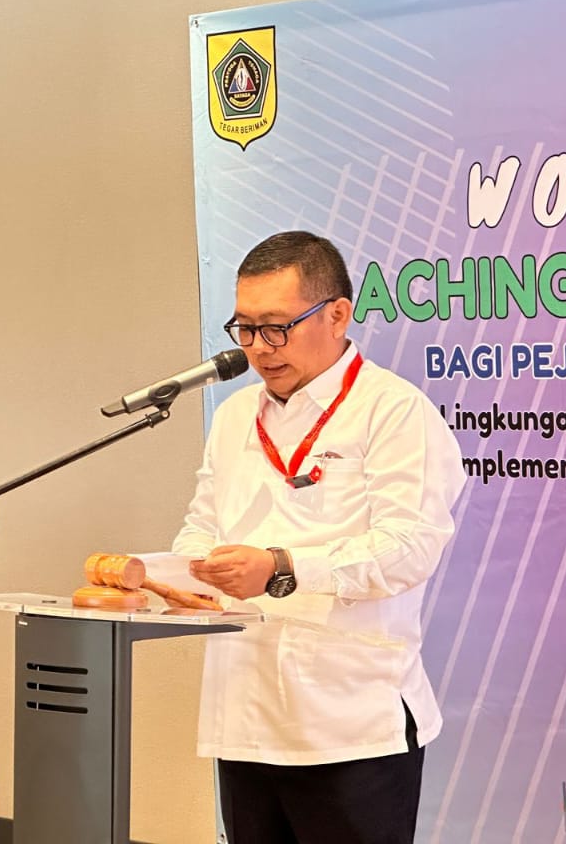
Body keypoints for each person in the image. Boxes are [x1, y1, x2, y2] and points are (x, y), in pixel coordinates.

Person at [172, 231, 465, 844]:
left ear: (337, 315)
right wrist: (176, 576)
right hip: (244, 713)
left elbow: (407, 548)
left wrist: (282, 566)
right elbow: (202, 525)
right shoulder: (234, 416)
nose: (260, 347)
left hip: (351, 722)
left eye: (278, 327)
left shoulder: (393, 410)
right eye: (245, 328)